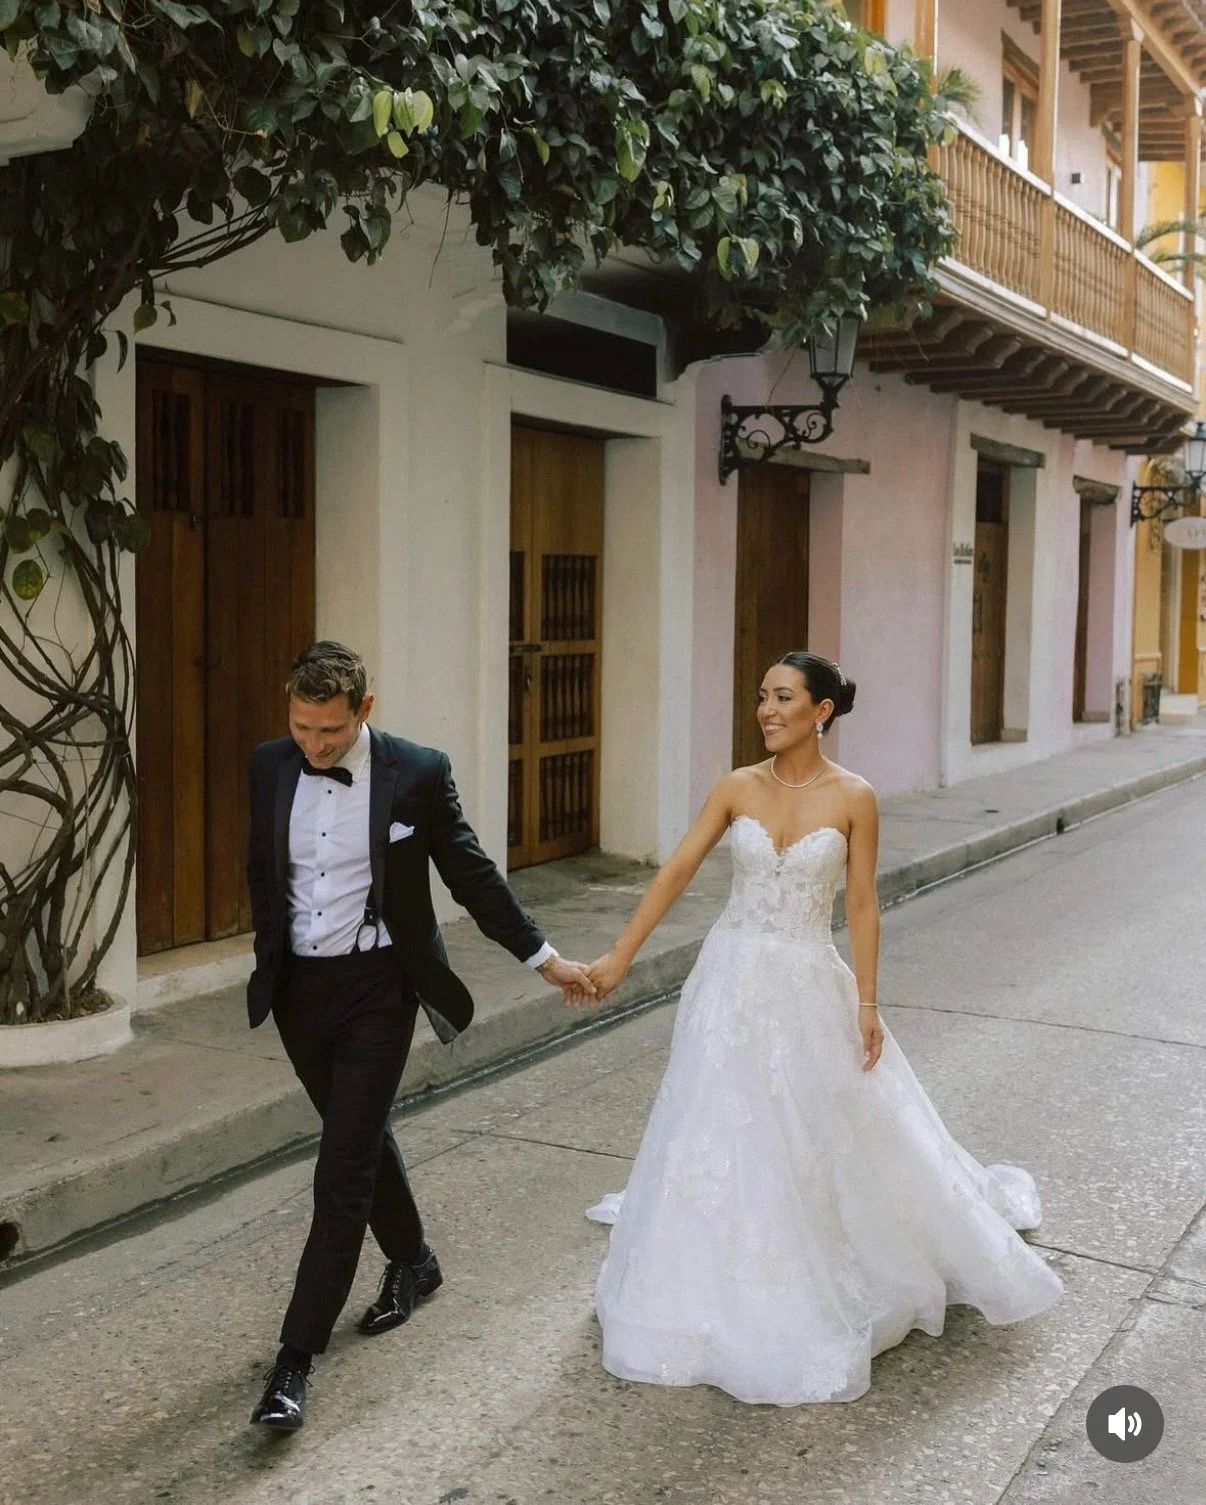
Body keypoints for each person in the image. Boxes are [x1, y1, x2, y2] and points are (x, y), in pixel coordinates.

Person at [583, 651, 1063, 1405]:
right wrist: (618, 956)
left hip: (808, 982)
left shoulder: (855, 797)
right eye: (762, 698)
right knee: (719, 1124)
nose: (767, 710)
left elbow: (862, 905)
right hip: (731, 980)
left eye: (782, 697)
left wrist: (867, 1003)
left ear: (822, 710)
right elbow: (676, 869)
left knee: (806, 1132)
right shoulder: (737, 786)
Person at [245, 641, 595, 1430]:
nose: (314, 745)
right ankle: (414, 1258)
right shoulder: (269, 765)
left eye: (329, 732)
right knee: (356, 1134)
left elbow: (470, 874)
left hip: (379, 989)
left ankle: (293, 1364)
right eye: (301, 728)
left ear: (365, 709)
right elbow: (265, 871)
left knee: (340, 1170)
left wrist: (543, 958)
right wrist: (269, 959)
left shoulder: (418, 771)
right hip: (301, 990)